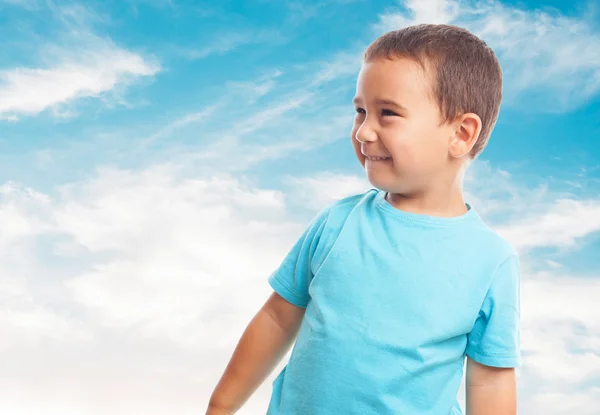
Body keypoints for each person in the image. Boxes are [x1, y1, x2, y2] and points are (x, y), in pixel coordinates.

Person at [206, 23, 521, 415]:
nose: (364, 131)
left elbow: (490, 378)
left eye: (387, 114)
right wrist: (220, 407)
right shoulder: (338, 222)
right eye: (360, 111)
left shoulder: (490, 261)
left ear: (460, 133)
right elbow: (276, 319)